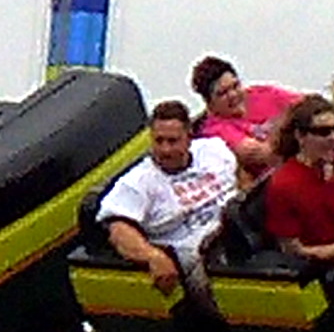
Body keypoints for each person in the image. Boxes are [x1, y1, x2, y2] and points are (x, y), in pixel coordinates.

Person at [98, 100, 239, 298]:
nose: (165, 150)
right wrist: (152, 256)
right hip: (198, 262)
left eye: (173, 141)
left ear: (188, 137)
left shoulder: (213, 150)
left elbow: (243, 180)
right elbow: (119, 230)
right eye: (159, 141)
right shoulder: (137, 182)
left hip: (237, 231)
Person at [264, 96, 334, 267]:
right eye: (323, 132)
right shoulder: (283, 184)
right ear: (300, 136)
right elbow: (293, 250)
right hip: (315, 270)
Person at [191, 56, 300, 177]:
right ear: (209, 103)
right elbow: (263, 154)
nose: (233, 95)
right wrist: (290, 124)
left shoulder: (260, 93)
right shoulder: (214, 131)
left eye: (235, 86)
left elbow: (308, 106)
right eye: (222, 93)